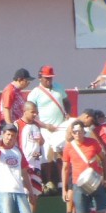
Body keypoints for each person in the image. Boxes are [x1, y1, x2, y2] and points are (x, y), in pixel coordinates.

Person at [62, 120, 106, 213]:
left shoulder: (93, 143)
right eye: (75, 132)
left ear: (84, 131)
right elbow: (65, 168)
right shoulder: (69, 147)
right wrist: (64, 189)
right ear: (71, 133)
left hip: (96, 181)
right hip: (79, 185)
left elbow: (104, 159)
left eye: (80, 131)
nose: (78, 134)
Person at [27, 65, 72, 194]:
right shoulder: (34, 93)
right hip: (45, 128)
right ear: (40, 77)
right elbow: (31, 114)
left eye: (51, 78)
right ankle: (48, 182)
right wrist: (45, 126)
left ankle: (60, 182)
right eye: (46, 78)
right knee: (47, 155)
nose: (49, 81)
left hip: (60, 127)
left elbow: (67, 102)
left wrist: (68, 113)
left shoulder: (59, 87)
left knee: (61, 153)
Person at [17, 101, 46, 213]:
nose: (35, 114)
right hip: (24, 164)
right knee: (25, 192)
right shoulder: (17, 124)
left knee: (35, 192)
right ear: (25, 111)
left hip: (36, 163)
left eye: (36, 112)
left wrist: (39, 143)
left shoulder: (36, 125)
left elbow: (41, 141)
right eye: (33, 112)